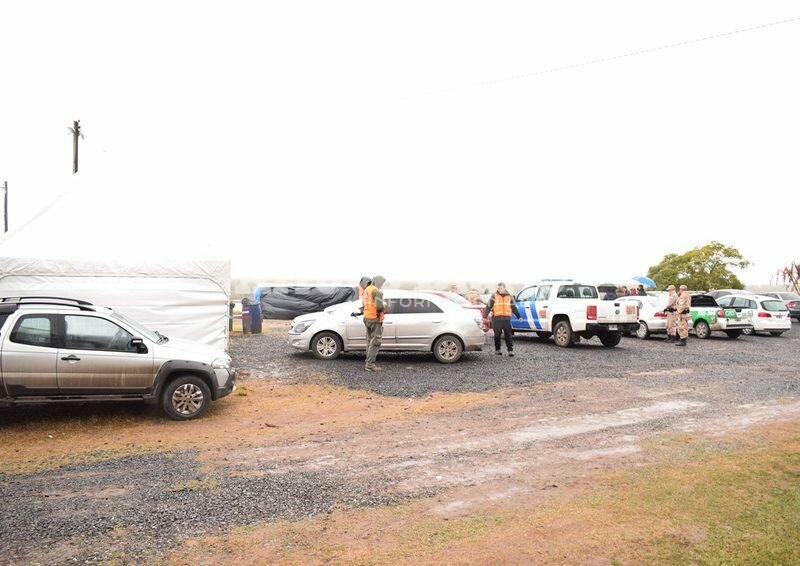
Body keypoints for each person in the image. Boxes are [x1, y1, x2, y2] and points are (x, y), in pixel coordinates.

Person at [483, 282, 521, 356]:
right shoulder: (494, 295)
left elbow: (513, 307)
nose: (499, 289)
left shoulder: (510, 296)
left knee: (508, 335)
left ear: (504, 288)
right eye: (498, 288)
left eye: (500, 288)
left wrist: (518, 316)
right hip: (496, 319)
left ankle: (510, 350)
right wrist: (484, 316)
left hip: (506, 319)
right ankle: (498, 350)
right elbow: (488, 306)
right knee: (497, 335)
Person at [360, 275, 387, 371]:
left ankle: (368, 361)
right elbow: (379, 306)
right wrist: (385, 305)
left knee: (369, 341)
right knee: (375, 342)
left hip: (367, 318)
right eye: (382, 283)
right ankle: (370, 365)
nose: (382, 285)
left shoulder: (367, 290)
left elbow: (364, 305)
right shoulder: (376, 291)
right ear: (377, 281)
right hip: (375, 319)